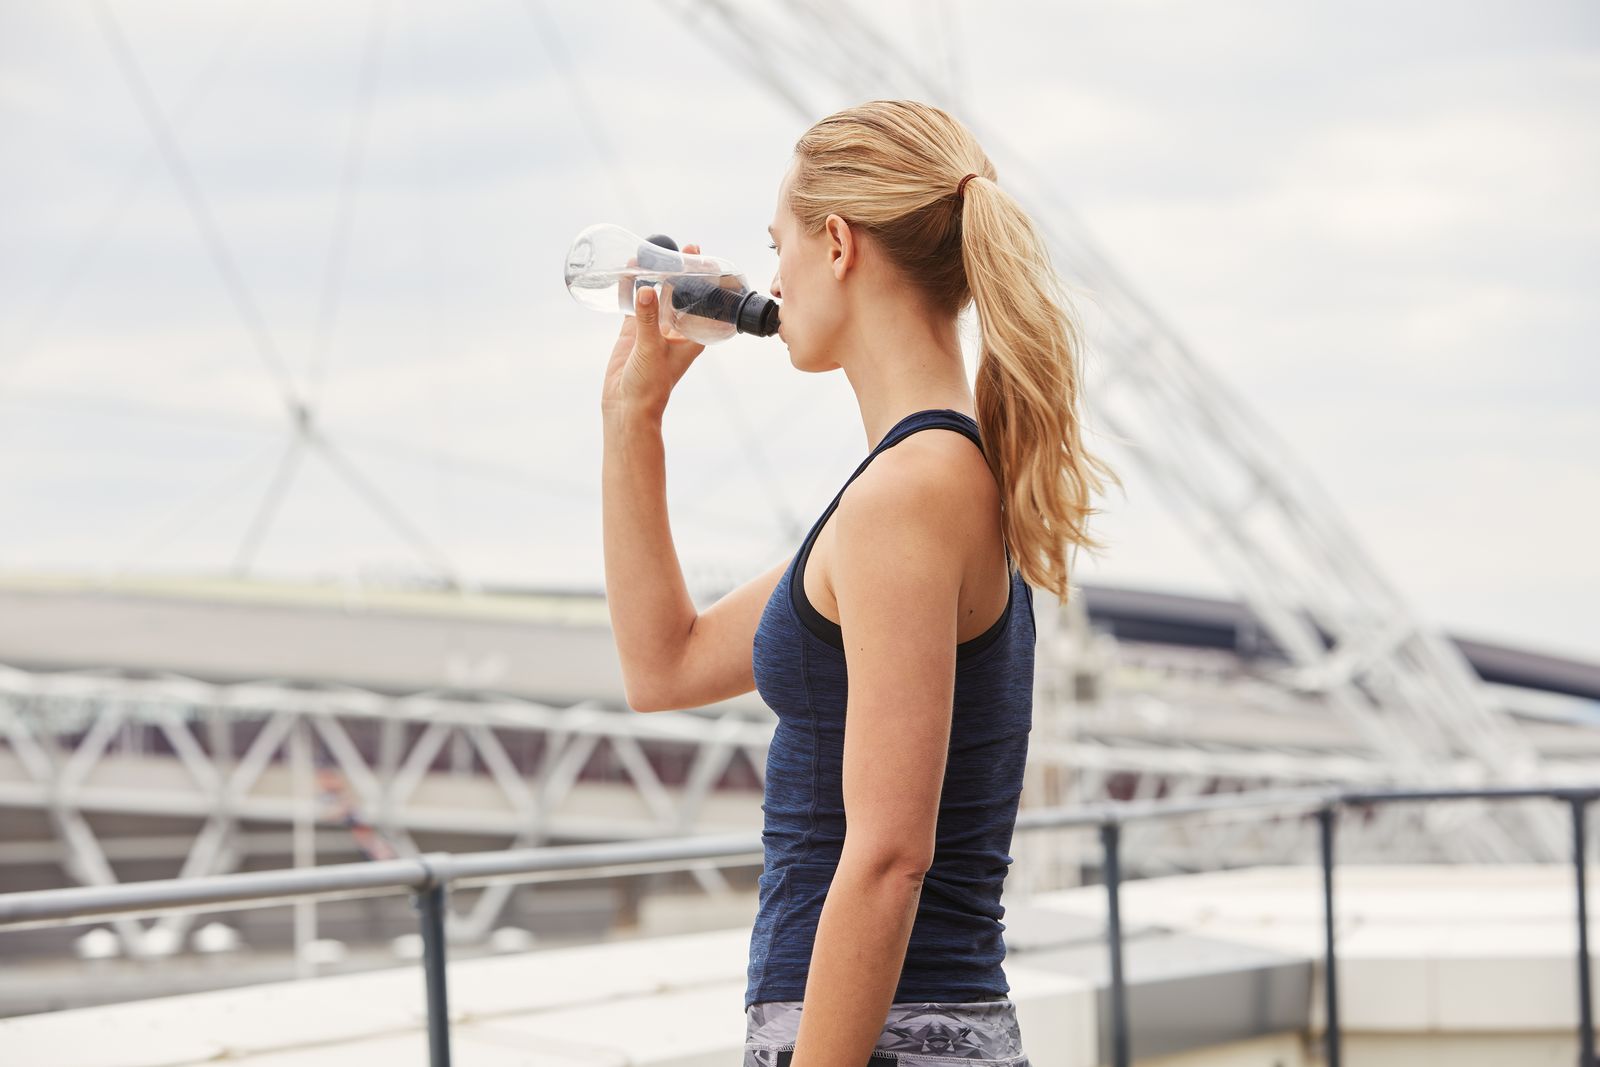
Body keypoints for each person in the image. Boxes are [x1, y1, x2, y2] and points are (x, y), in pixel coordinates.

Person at [600, 98, 1120, 1067]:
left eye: (776, 244)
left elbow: (888, 859)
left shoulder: (907, 494)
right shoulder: (918, 482)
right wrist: (631, 420)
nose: (770, 278)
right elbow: (662, 667)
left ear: (835, 243)